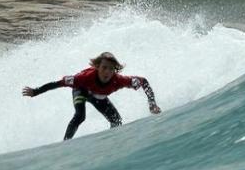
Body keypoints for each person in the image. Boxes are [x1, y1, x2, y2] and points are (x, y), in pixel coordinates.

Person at [22, 52, 161, 140]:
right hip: (81, 90)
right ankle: (65, 143)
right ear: (97, 67)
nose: (107, 72)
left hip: (98, 96)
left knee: (116, 121)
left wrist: (152, 103)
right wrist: (36, 91)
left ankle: (111, 142)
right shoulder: (83, 78)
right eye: (104, 67)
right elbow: (58, 83)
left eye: (111, 69)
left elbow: (143, 81)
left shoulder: (119, 80)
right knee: (80, 116)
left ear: (115, 70)